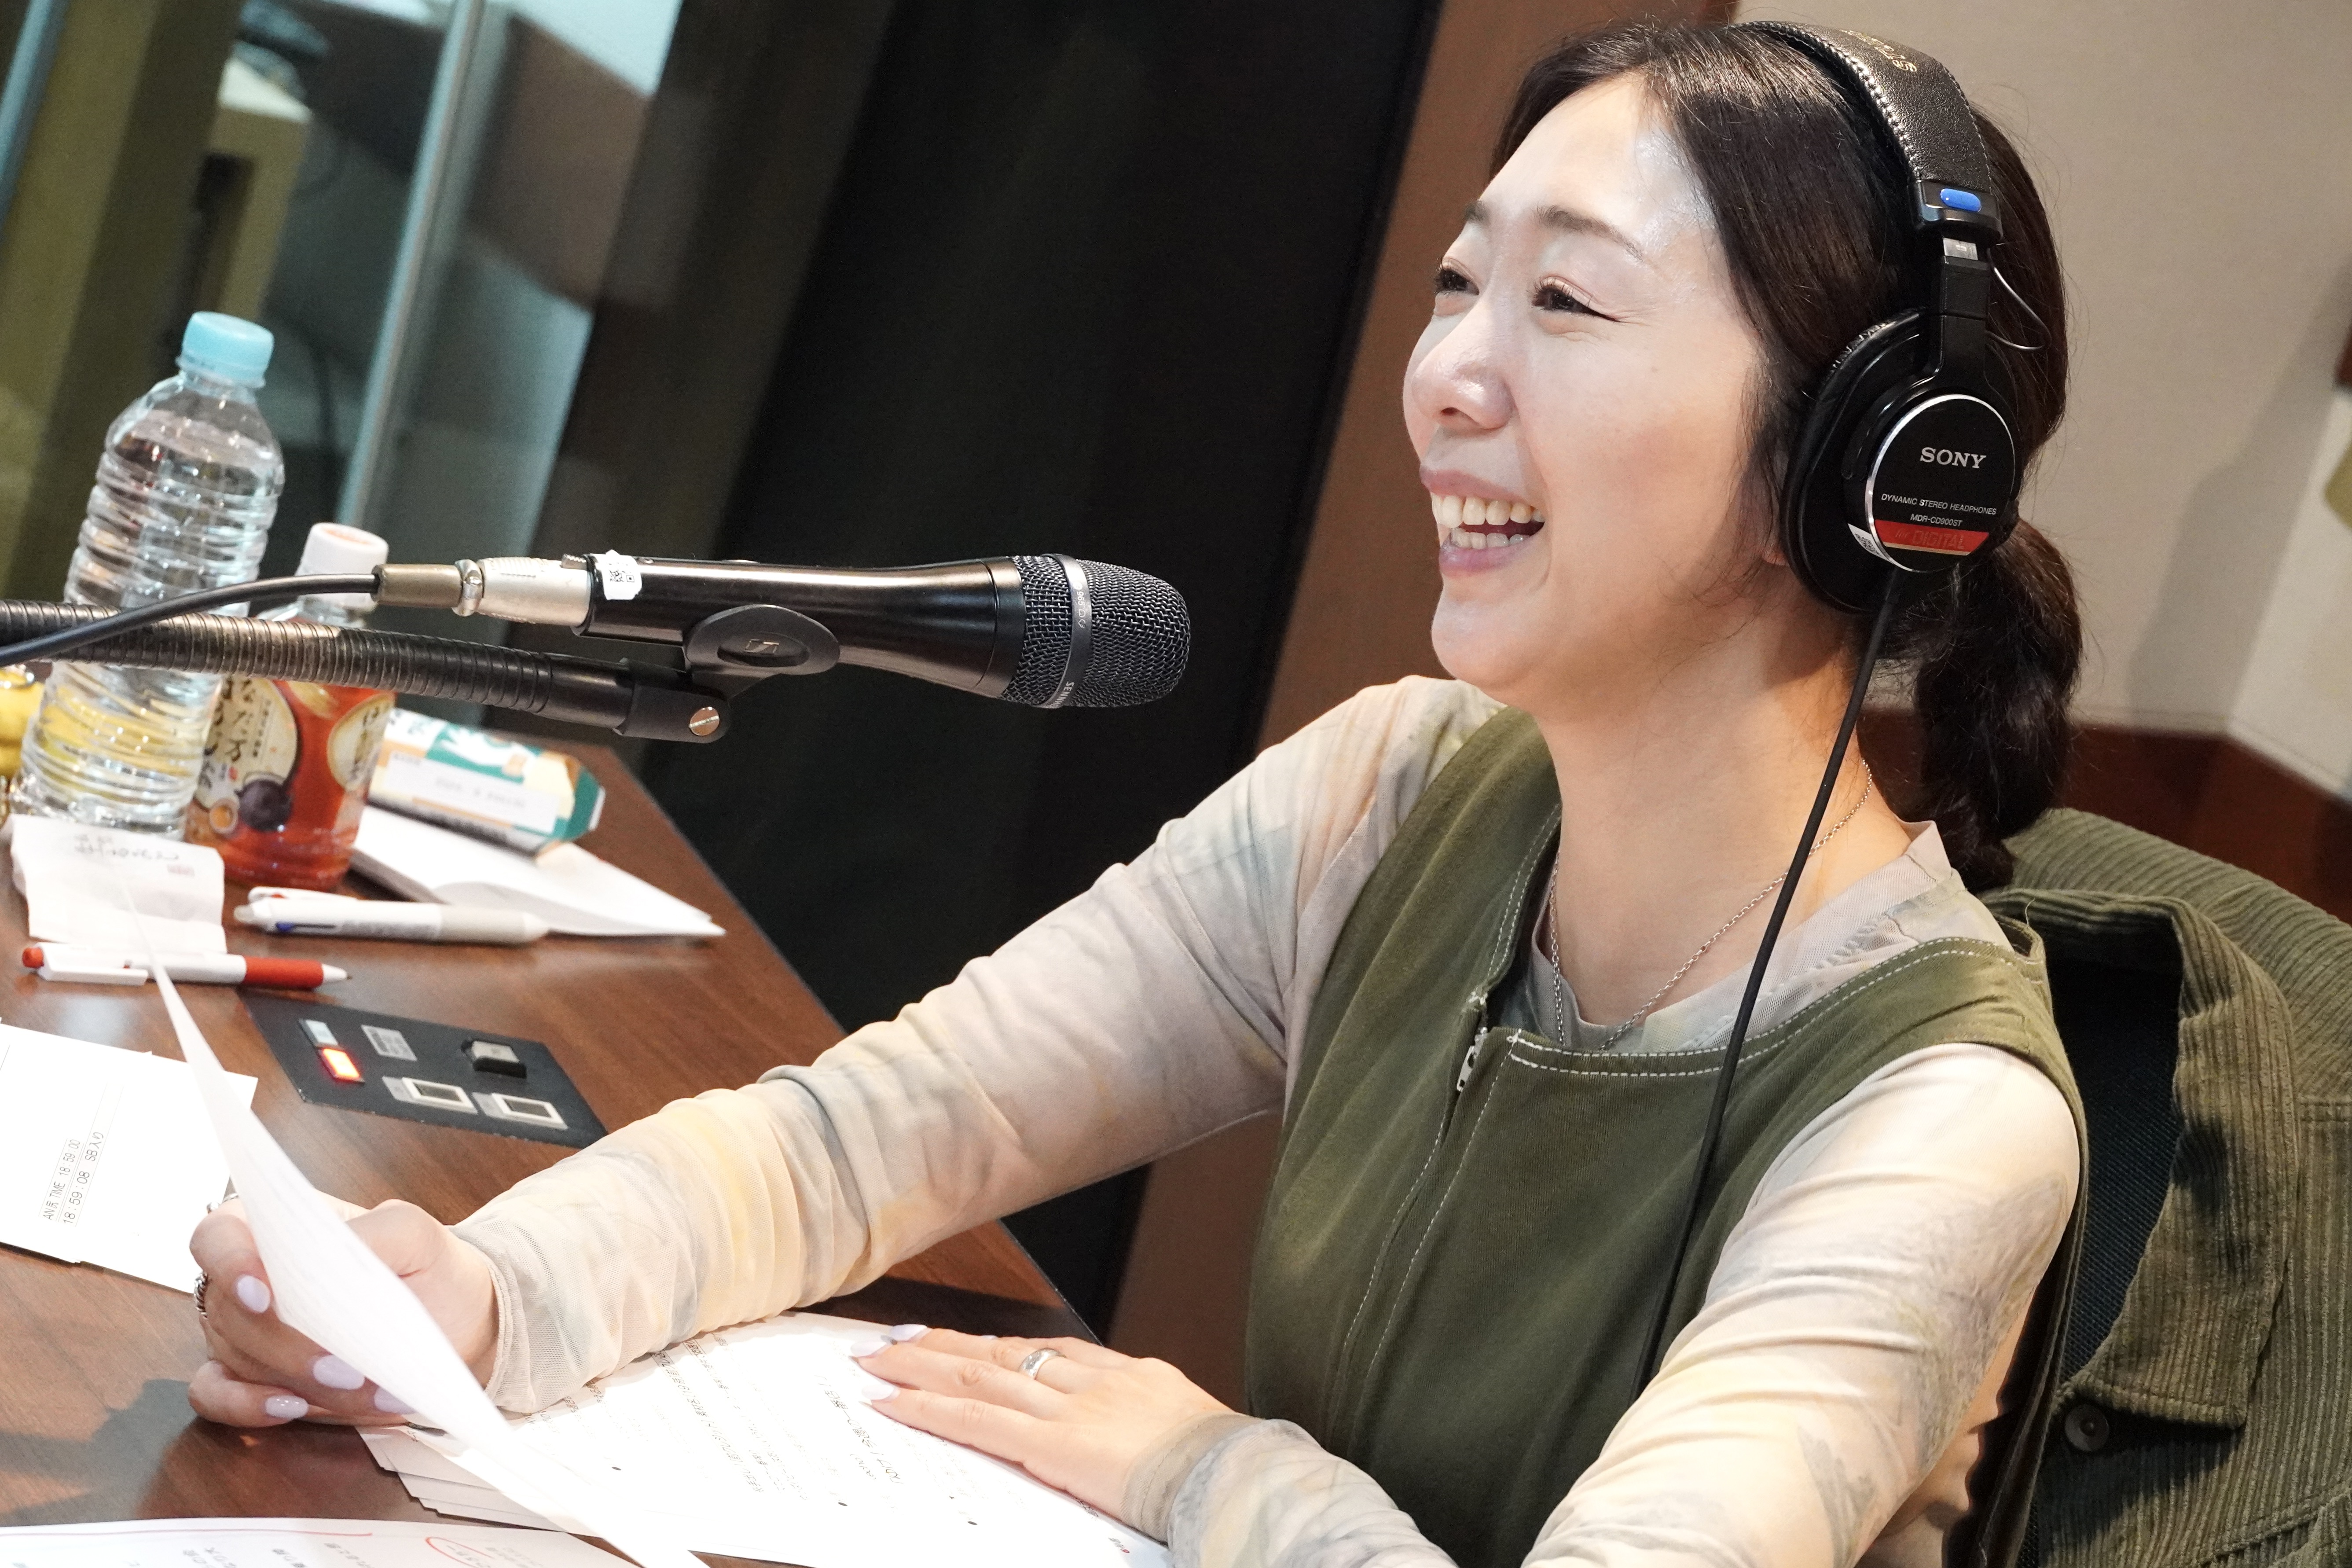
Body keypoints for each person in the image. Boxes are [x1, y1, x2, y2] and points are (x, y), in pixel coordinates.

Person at [187, 21, 2090, 1568]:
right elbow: (875, 1136)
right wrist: (479, 1296)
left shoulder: (1940, 1122)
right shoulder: (1395, 788)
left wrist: (1204, 1468)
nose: (1446, 373)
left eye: (1566, 304)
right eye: (1455, 284)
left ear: (1871, 462)